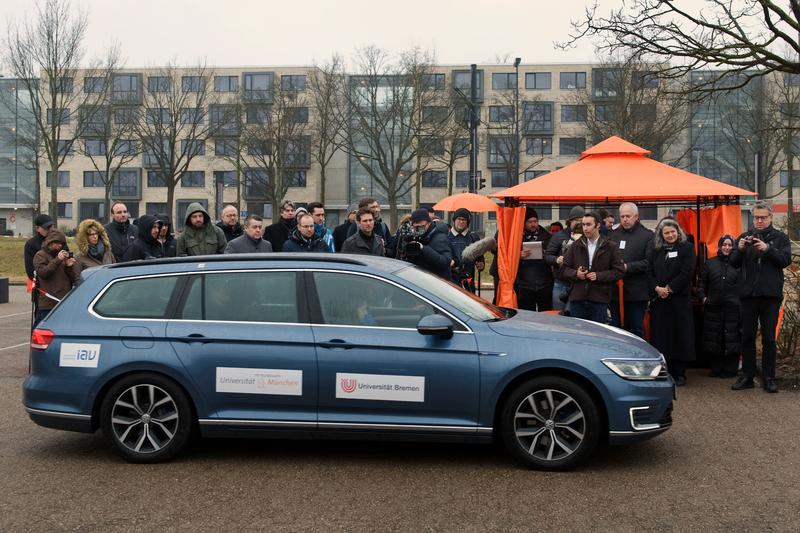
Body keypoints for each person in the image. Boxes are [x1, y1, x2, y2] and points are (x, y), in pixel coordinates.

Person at [730, 202, 792, 393]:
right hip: (748, 295)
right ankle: (748, 376)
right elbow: (733, 263)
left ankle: (769, 377)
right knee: (747, 336)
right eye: (756, 217)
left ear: (771, 217)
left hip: (770, 295)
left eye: (763, 217)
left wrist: (768, 249)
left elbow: (785, 261)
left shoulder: (780, 238)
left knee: (768, 339)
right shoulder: (745, 237)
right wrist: (738, 249)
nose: (759, 220)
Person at [647, 218, 696, 386]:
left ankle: (680, 372)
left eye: (672, 232)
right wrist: (656, 288)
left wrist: (669, 288)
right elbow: (649, 271)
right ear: (661, 235)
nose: (670, 235)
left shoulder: (687, 248)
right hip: (659, 301)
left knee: (680, 335)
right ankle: (664, 370)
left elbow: (687, 272)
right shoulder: (656, 250)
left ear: (678, 231)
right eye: (666, 233)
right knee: (661, 336)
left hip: (679, 300)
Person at [561, 212, 624, 323]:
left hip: (599, 299)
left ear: (598, 225)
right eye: (583, 225)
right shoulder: (575, 246)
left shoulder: (611, 246)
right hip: (578, 299)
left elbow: (619, 271)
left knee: (598, 335)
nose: (585, 228)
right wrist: (576, 274)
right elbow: (563, 269)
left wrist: (599, 276)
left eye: (589, 224)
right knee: (579, 334)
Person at [698, 235, 741, 378]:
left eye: (730, 245)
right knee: (714, 338)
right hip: (713, 307)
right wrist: (704, 299)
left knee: (732, 338)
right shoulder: (710, 264)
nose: (727, 247)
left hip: (733, 309)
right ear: (719, 246)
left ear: (733, 247)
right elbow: (702, 284)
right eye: (724, 245)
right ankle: (716, 368)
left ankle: (730, 369)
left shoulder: (738, 264)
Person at [609, 202, 654, 338]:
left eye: (628, 216)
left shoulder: (647, 236)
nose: (625, 219)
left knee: (635, 329)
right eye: (622, 216)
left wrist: (628, 267)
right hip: (615, 293)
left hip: (636, 292)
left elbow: (649, 263)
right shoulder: (613, 235)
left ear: (636, 216)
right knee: (615, 330)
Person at [32, 230, 78, 327]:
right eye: (58, 243)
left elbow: (72, 279)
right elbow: (43, 273)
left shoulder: (61, 255)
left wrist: (69, 266)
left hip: (63, 301)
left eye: (61, 243)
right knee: (44, 330)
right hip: (48, 303)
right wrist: (58, 260)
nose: (60, 246)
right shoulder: (40, 255)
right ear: (50, 242)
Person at [545, 206, 585, 312]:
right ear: (570, 221)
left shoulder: (587, 236)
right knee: (558, 315)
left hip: (578, 284)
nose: (579, 223)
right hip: (561, 282)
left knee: (574, 316)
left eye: (582, 221)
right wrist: (557, 259)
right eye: (576, 220)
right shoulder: (559, 236)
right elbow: (547, 256)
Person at [515, 207, 553, 311]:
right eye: (529, 222)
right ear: (523, 223)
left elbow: (553, 256)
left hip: (544, 283)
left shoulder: (547, 237)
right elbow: (508, 257)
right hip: (525, 284)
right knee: (527, 316)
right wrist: (518, 255)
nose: (533, 224)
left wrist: (546, 254)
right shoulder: (517, 237)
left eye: (535, 221)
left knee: (546, 315)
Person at [401, 208, 453, 280]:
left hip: (438, 283)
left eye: (421, 227)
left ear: (429, 223)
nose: (418, 230)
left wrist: (423, 248)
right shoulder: (416, 236)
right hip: (421, 280)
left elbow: (445, 262)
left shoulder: (440, 238)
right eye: (416, 227)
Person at [447, 208, 484, 293]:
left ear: (468, 222)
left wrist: (481, 264)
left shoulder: (474, 237)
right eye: (459, 219)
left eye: (464, 220)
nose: (461, 222)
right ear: (454, 220)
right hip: (450, 281)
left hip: (468, 283)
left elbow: (480, 258)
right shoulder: (446, 237)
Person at [25, 214, 59, 282]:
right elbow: (31, 271)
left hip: (60, 284)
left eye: (51, 227)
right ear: (37, 228)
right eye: (46, 227)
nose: (50, 230)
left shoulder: (59, 241)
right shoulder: (31, 244)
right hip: (42, 287)